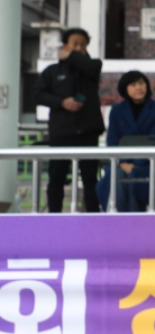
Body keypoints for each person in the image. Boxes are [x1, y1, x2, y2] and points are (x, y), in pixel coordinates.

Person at [33, 27, 104, 213]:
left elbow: (92, 66)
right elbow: (38, 94)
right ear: (65, 45)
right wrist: (61, 102)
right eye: (75, 43)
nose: (79, 47)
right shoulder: (52, 71)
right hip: (62, 133)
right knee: (56, 177)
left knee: (90, 178)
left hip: (88, 132)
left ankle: (92, 216)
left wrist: (71, 55)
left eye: (82, 44)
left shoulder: (91, 67)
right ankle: (54, 216)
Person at [96, 71, 155, 211]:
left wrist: (135, 165)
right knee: (115, 174)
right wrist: (123, 163)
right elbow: (112, 142)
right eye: (133, 84)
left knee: (131, 175)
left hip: (151, 164)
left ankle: (128, 221)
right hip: (122, 164)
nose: (138, 87)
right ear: (125, 89)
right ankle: (120, 220)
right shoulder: (117, 111)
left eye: (141, 83)